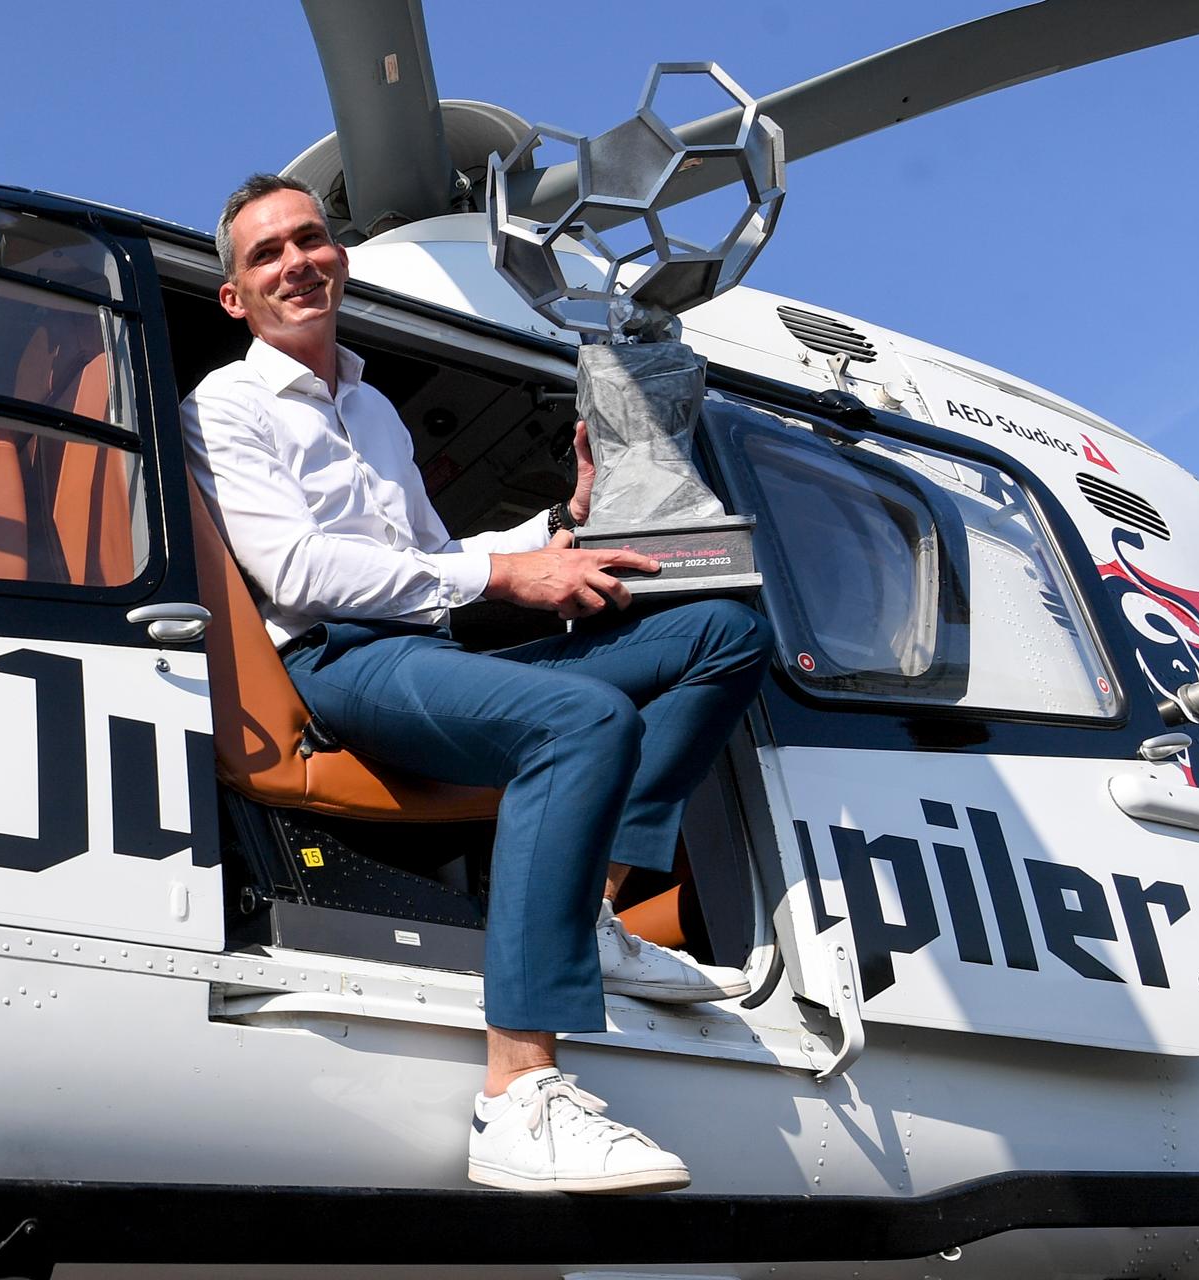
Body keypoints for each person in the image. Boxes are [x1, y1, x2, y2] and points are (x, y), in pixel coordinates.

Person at [182, 174, 774, 1194]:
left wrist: (560, 526)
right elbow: (302, 574)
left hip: (427, 650)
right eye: (267, 254)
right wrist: (511, 574)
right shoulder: (226, 404)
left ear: (340, 256)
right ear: (234, 296)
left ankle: (596, 908)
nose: (297, 262)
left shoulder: (370, 408)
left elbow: (428, 557)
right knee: (583, 717)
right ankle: (517, 1090)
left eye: (311, 240)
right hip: (341, 660)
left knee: (721, 631)